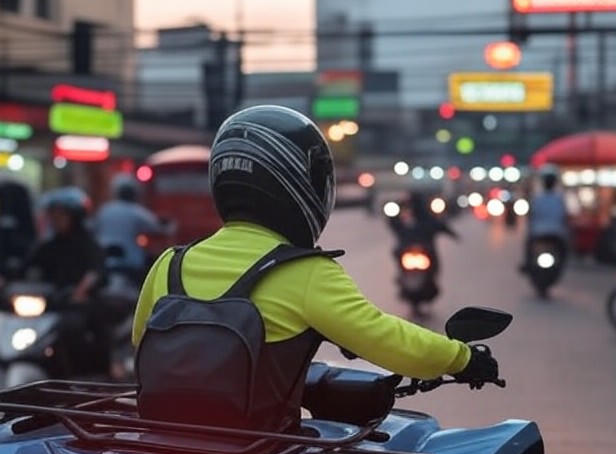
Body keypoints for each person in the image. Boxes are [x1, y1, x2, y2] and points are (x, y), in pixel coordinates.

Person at [132, 105, 497, 430]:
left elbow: (142, 346)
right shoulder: (304, 272)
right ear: (301, 185)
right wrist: (462, 357)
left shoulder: (169, 263)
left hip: (165, 439)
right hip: (258, 445)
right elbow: (387, 339)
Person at [94, 174, 169, 279]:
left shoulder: (105, 210)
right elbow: (156, 227)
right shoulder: (136, 211)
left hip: (104, 259)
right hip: (130, 261)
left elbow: (94, 228)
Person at [524, 166, 569, 269]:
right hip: (556, 233)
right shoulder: (559, 198)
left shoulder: (538, 198)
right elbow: (564, 216)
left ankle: (527, 264)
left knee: (528, 246)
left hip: (539, 232)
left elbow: (531, 215)